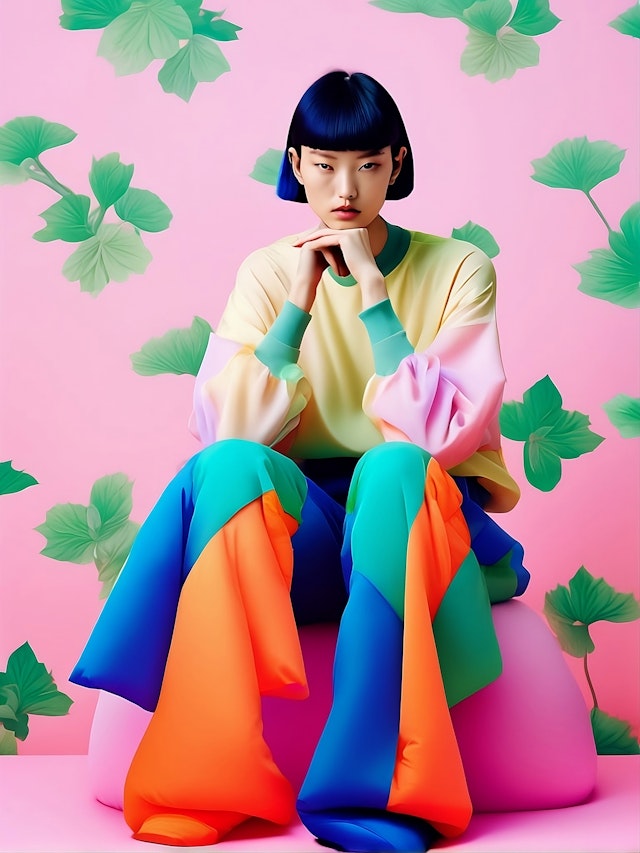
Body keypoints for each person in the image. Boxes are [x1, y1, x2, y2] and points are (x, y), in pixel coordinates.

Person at [71, 70, 529, 852]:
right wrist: (297, 305)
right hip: (309, 530)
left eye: (366, 164)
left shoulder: (461, 267)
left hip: (422, 520)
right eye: (322, 163)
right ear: (296, 162)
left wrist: (377, 298)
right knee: (224, 472)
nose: (343, 187)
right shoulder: (266, 269)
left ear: (397, 163)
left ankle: (381, 791)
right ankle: (202, 776)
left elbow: (440, 437)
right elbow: (228, 430)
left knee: (390, 468)